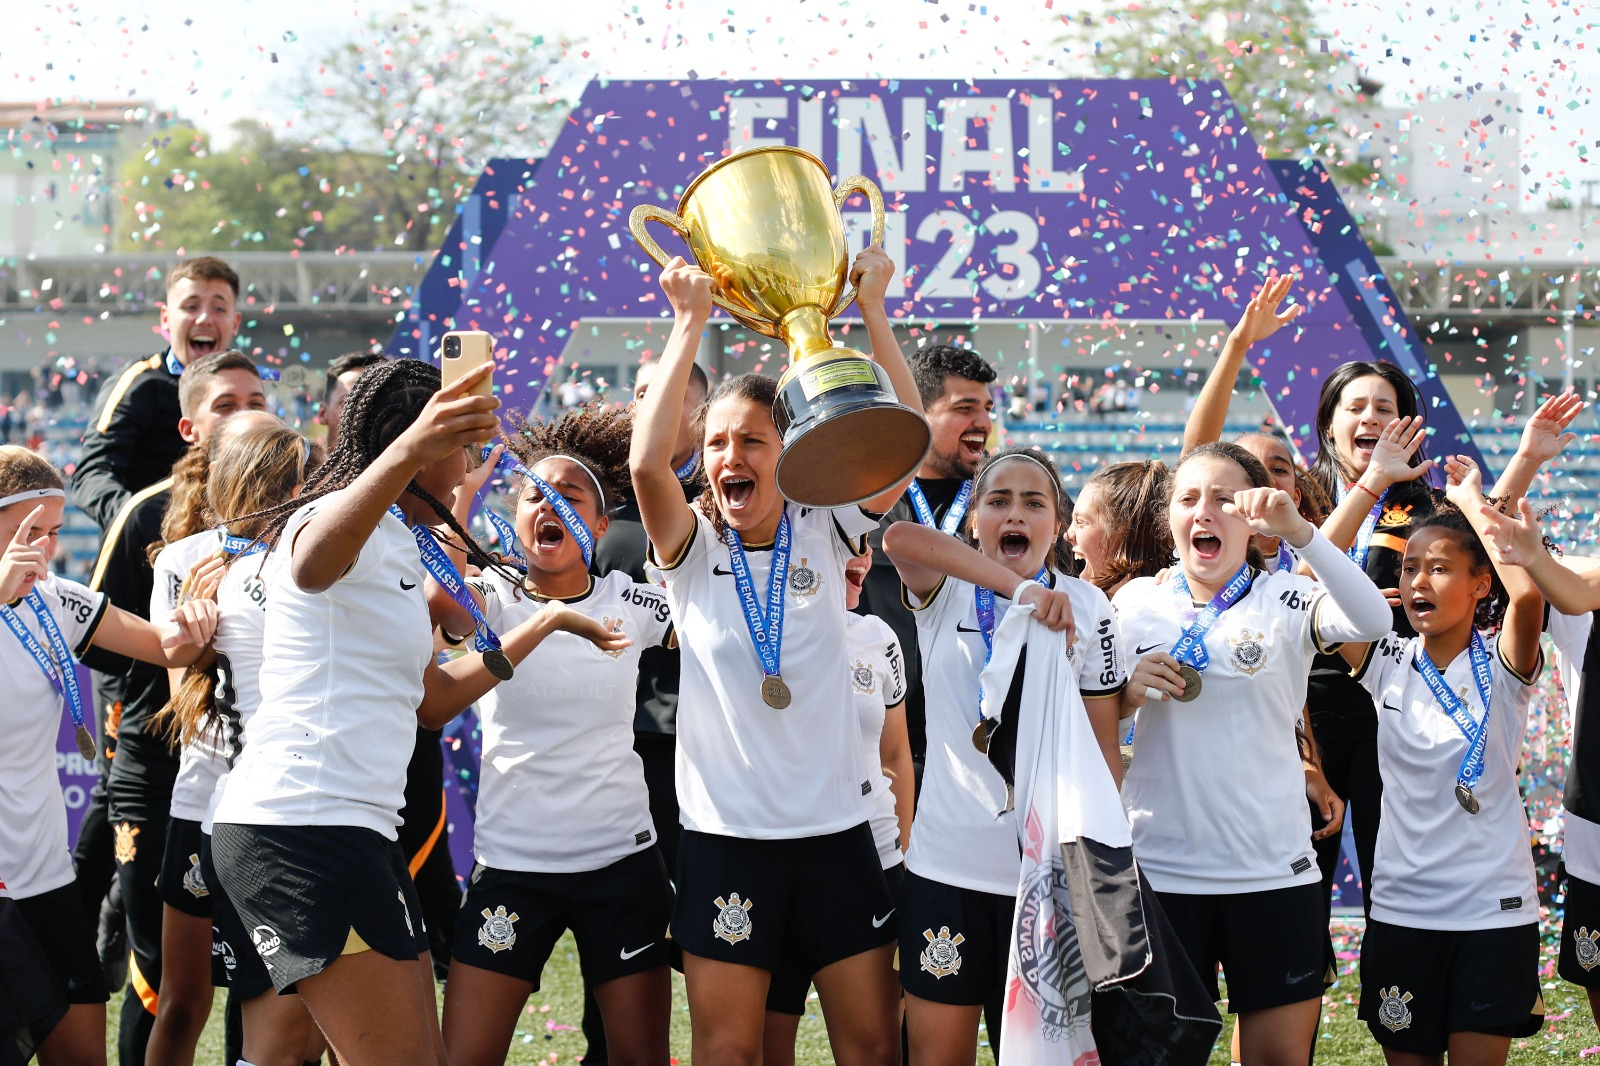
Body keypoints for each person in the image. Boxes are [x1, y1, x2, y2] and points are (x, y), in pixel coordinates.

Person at [207, 357, 593, 1066]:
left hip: (354, 831)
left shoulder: (397, 545)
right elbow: (311, 564)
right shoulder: (327, 518)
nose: (472, 459)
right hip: (302, 826)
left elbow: (432, 701)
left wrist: (540, 629)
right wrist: (413, 444)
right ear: (415, 442)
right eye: (463, 440)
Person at [628, 246, 919, 1066]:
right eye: (717, 443)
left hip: (836, 836)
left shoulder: (829, 526)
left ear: (788, 453)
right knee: (731, 1053)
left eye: (751, 442)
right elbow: (648, 462)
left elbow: (902, 439)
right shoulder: (688, 551)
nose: (729, 460)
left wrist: (873, 313)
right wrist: (688, 321)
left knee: (869, 1047)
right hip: (726, 841)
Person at [1115, 441, 1391, 1066]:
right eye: (1188, 499)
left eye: (1223, 499)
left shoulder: (1287, 602)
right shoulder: (1134, 605)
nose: (1203, 512)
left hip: (1273, 874)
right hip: (1162, 874)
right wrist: (1128, 695)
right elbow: (1092, 717)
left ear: (1253, 518)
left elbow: (1374, 620)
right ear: (1170, 520)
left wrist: (1303, 533)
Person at [421, 405, 666, 1066]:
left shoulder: (632, 600)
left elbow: (711, 624)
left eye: (569, 496)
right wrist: (462, 501)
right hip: (512, 865)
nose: (547, 506)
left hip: (620, 861)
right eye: (533, 495)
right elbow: (439, 606)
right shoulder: (496, 596)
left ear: (598, 524)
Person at [882, 446, 1123, 1066]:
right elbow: (902, 539)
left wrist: (1108, 871)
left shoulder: (1089, 607)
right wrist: (1019, 592)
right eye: (998, 501)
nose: (1015, 513)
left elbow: (1103, 749)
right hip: (948, 869)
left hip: (1050, 879)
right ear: (974, 521)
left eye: (1033, 502)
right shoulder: (945, 592)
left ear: (1059, 523)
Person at [0, 445, 218, 1066]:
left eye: (51, 533)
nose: (41, 550)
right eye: (25, 533)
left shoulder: (54, 599)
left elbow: (166, 646)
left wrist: (200, 613)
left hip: (44, 880)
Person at [77, 351, 266, 1065]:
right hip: (162, 772)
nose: (244, 411)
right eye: (225, 403)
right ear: (190, 426)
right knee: (162, 983)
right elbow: (98, 648)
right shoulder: (147, 517)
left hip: (261, 778)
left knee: (268, 974)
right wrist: (177, 647)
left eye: (255, 398)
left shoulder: (302, 527)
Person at [1339, 460, 1546, 1064]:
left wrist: (1472, 501)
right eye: (1409, 569)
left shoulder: (1503, 666)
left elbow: (1528, 595)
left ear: (1481, 584)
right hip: (1405, 909)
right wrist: (1371, 483)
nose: (1418, 583)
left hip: (1493, 911)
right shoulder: (1385, 659)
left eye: (1438, 568)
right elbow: (1309, 576)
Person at [142, 422, 321, 1066]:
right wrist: (205, 630)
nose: (294, 491)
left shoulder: (313, 558)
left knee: (304, 1005)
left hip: (295, 804)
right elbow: (180, 688)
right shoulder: (182, 560)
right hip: (205, 799)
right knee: (184, 999)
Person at [580, 356, 709, 1066]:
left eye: (666, 393)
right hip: (620, 749)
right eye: (637, 391)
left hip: (712, 749)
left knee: (716, 936)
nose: (645, 405)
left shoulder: (736, 495)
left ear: (701, 409)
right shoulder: (596, 502)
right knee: (620, 933)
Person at [762, 544, 913, 1066]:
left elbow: (895, 754)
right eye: (842, 541)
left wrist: (905, 855)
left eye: (865, 544)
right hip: (773, 854)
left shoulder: (879, 636)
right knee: (763, 1047)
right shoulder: (760, 621)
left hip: (872, 863)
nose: (861, 555)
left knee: (875, 1051)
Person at [854, 343, 997, 792]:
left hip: (982, 747)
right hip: (884, 747)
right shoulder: (866, 501)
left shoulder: (1008, 498)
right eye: (965, 408)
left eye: (987, 408)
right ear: (917, 413)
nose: (983, 423)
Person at [73, 257, 244, 532]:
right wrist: (140, 524)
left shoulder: (247, 389)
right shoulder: (139, 384)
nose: (204, 318)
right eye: (191, 306)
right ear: (165, 318)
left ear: (235, 322)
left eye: (219, 308)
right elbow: (92, 475)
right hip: (148, 559)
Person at [1066, 460, 1172, 597]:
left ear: (1124, 533)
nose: (1068, 535)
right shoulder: (1076, 606)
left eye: (1080, 522)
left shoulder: (1171, 605)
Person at [317, 351, 386, 452]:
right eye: (348, 403)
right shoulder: (299, 466)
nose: (362, 414)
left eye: (377, 403)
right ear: (323, 414)